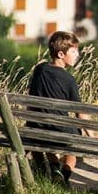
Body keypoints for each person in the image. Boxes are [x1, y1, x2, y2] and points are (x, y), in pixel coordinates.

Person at [27, 30, 85, 184]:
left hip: (37, 126)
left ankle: (54, 167)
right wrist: (91, 133)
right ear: (61, 54)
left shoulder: (39, 70)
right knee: (74, 145)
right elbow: (79, 111)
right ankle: (65, 172)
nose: (77, 54)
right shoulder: (69, 80)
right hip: (61, 130)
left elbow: (31, 99)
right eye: (73, 51)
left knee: (45, 136)